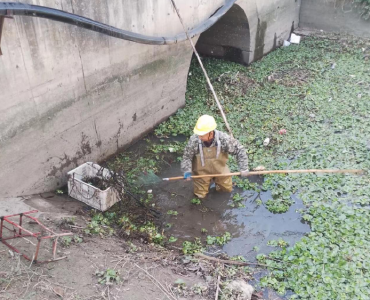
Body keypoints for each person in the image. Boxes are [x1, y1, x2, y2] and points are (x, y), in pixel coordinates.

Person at [181, 115, 249, 199]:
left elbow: (239, 150)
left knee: (226, 190)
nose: (199, 137)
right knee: (200, 195)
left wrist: (244, 168)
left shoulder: (223, 139)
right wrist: (186, 170)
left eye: (202, 135)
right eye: (198, 134)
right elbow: (187, 157)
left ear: (211, 132)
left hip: (220, 170)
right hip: (201, 173)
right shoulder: (194, 140)